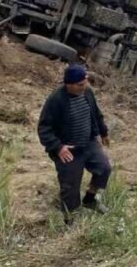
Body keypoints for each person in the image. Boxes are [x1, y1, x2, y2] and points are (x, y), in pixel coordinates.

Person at [37, 63, 112, 224]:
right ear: (68, 84)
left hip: (89, 143)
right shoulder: (56, 100)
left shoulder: (87, 93)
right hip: (68, 149)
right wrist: (58, 147)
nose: (83, 87)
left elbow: (96, 114)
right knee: (70, 187)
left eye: (85, 83)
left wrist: (103, 132)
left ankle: (90, 199)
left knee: (104, 169)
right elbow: (44, 128)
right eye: (80, 85)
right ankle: (69, 219)